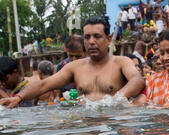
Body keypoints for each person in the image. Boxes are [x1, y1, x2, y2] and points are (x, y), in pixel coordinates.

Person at [0, 16, 145, 108]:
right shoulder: (75, 67)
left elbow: (137, 80)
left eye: (97, 36)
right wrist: (18, 98)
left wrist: (113, 101)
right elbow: (44, 84)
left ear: (108, 39)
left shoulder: (121, 62)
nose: (91, 42)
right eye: (87, 37)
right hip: (86, 127)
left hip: (115, 126)